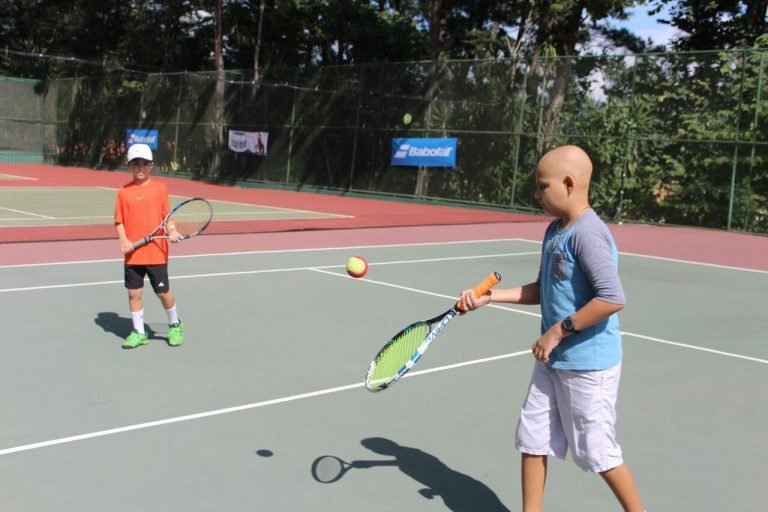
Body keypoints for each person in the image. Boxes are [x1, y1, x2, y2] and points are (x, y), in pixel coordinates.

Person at [461, 145, 644, 511]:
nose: (537, 193)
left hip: (587, 365)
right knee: (533, 438)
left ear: (569, 183)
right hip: (552, 361)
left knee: (597, 451)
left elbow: (612, 297)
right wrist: (491, 297)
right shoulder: (554, 230)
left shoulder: (588, 234)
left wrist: (559, 330)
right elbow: (543, 288)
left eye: (542, 186)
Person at [114, 143, 184, 349]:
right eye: (136, 164)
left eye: (144, 164)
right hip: (133, 255)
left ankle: (175, 324)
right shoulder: (123, 192)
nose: (140, 168)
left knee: (163, 293)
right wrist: (124, 240)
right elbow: (119, 222)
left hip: (156, 253)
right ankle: (138, 332)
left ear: (151, 166)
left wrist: (171, 230)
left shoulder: (160, 189)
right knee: (134, 294)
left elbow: (167, 218)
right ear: (129, 166)